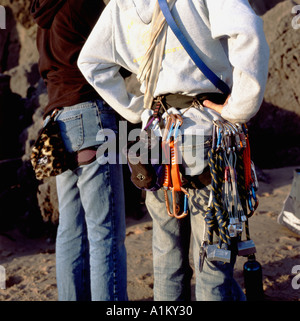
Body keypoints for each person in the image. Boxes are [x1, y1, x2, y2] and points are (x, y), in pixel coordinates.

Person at [78, 0, 269, 301]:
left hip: (157, 139)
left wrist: (137, 112)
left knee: (167, 262)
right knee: (213, 265)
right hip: (209, 135)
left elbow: (91, 62)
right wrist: (240, 107)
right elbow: (247, 30)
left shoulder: (122, 4)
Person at [31, 0, 127, 301]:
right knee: (105, 233)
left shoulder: (42, 15)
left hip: (57, 122)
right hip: (89, 114)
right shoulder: (82, 4)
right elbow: (116, 54)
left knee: (70, 230)